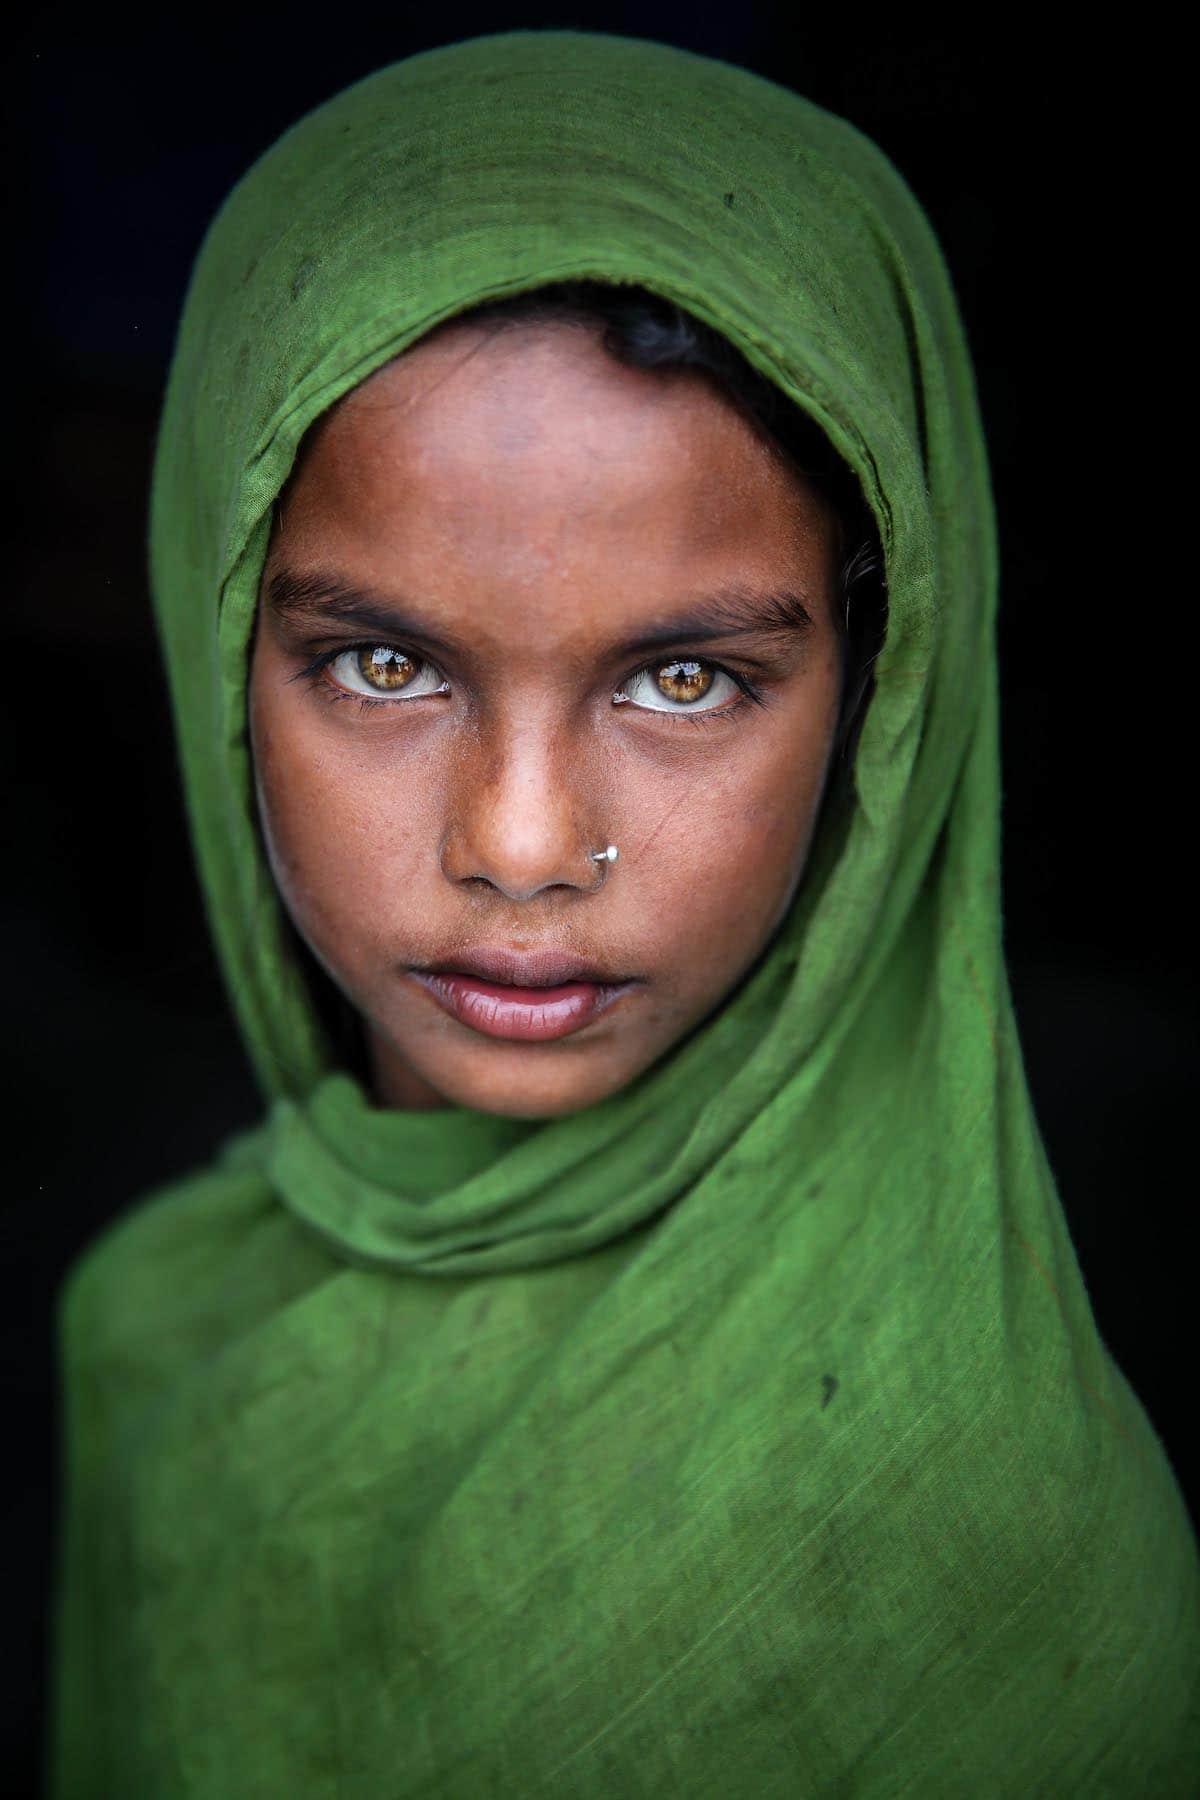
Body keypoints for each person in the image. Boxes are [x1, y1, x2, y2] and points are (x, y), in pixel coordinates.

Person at [47, 29, 1199, 1797]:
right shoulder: (162, 1330)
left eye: (684, 682)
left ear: (880, 708)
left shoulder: (979, 1542)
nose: (520, 844)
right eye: (378, 663)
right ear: (216, 659)